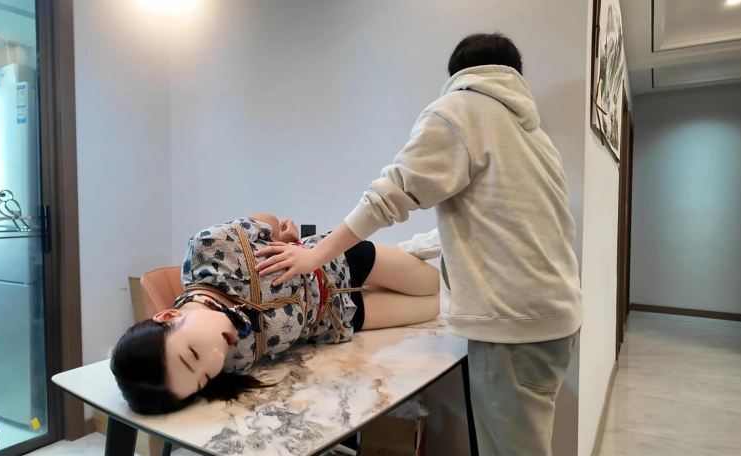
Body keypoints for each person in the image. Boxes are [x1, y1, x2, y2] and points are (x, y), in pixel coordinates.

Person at [254, 33, 582, 455]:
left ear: (458, 74)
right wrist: (407, 250)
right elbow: (494, 225)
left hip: (513, 325)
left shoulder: (459, 109)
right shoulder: (534, 136)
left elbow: (387, 198)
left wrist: (314, 255)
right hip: (557, 318)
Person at [110, 213, 440, 415]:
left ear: (169, 316)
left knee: (432, 282)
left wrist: (280, 236)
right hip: (338, 318)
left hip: (337, 261)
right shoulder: (230, 362)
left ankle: (410, 250)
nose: (217, 359)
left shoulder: (210, 251)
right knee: (434, 307)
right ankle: (404, 259)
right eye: (205, 378)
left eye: (193, 354)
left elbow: (266, 220)